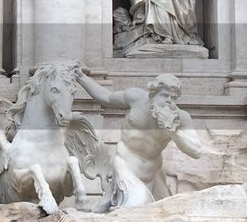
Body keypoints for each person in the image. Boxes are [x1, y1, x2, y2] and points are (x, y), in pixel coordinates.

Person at [75, 71, 205, 206]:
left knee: (163, 213)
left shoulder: (180, 118)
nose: (169, 101)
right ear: (153, 93)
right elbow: (106, 97)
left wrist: (172, 131)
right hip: (125, 165)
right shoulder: (136, 98)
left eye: (173, 98)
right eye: (165, 95)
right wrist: (81, 77)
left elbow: (196, 151)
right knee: (135, 207)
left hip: (154, 173)